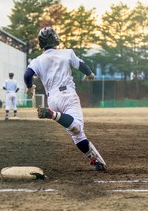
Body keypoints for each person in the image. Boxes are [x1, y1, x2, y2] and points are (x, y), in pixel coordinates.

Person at [24, 27, 107, 171]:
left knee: (77, 135)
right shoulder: (67, 53)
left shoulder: (38, 60)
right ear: (55, 39)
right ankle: (51, 114)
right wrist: (90, 74)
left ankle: (96, 161)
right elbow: (82, 66)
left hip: (52, 100)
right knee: (77, 126)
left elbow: (27, 74)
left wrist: (30, 87)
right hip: (67, 95)